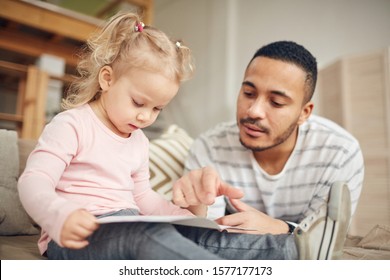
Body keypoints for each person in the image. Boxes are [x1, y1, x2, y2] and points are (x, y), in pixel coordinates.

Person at [17, 12, 353, 259]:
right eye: (139, 103)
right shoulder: (71, 125)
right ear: (107, 79)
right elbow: (33, 182)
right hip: (78, 236)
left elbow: (144, 200)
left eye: (157, 110)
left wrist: (193, 217)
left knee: (193, 235)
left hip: (131, 223)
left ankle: (291, 250)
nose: (146, 117)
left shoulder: (137, 141)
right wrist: (59, 216)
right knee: (147, 237)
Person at [173, 40, 364, 259]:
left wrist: (282, 229)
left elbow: (324, 240)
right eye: (248, 93)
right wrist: (196, 205)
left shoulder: (340, 152)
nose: (254, 111)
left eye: (276, 102)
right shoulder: (208, 146)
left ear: (304, 112)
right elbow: (206, 238)